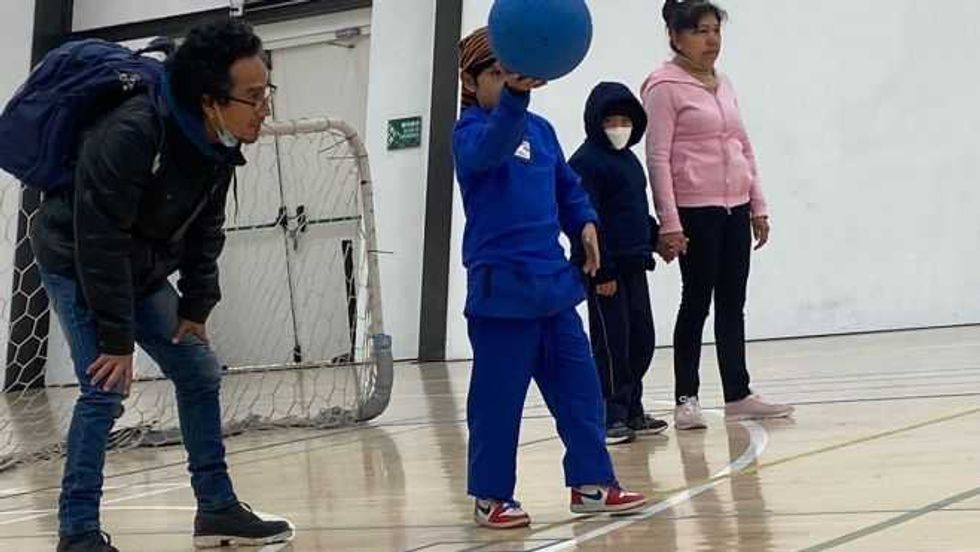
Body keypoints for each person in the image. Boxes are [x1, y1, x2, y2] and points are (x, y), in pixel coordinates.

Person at [31, 20, 294, 551]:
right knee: (104, 387)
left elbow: (206, 229)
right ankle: (77, 532)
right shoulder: (133, 131)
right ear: (210, 99)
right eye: (251, 96)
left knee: (197, 367)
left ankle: (217, 508)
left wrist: (196, 306)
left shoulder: (217, 142)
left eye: (266, 92)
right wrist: (115, 342)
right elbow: (98, 238)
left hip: (137, 264)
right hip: (78, 259)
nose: (263, 106)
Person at [454, 27, 648, 530]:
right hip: (502, 295)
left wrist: (583, 222)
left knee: (582, 391)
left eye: (508, 70)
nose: (504, 79)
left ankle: (592, 485)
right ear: (471, 82)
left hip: (554, 290)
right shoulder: (470, 132)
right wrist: (516, 95)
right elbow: (493, 150)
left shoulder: (541, 131)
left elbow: (567, 187)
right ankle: (491, 496)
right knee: (498, 403)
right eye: (494, 72)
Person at [642, 0, 794, 430]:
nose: (711, 40)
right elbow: (658, 158)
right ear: (675, 36)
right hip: (696, 209)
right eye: (700, 31)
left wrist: (758, 205)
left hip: (735, 207)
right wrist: (669, 222)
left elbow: (742, 146)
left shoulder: (723, 84)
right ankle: (685, 398)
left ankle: (738, 393)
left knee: (733, 302)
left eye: (715, 31)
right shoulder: (663, 86)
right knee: (696, 301)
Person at [569, 82, 668, 445]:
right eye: (610, 119)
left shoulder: (629, 161)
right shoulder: (585, 162)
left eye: (625, 119)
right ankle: (611, 413)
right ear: (595, 122)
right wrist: (601, 269)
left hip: (634, 263)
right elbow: (584, 219)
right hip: (605, 270)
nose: (618, 126)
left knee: (640, 338)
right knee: (612, 343)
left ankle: (633, 408)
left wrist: (656, 238)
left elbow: (634, 211)